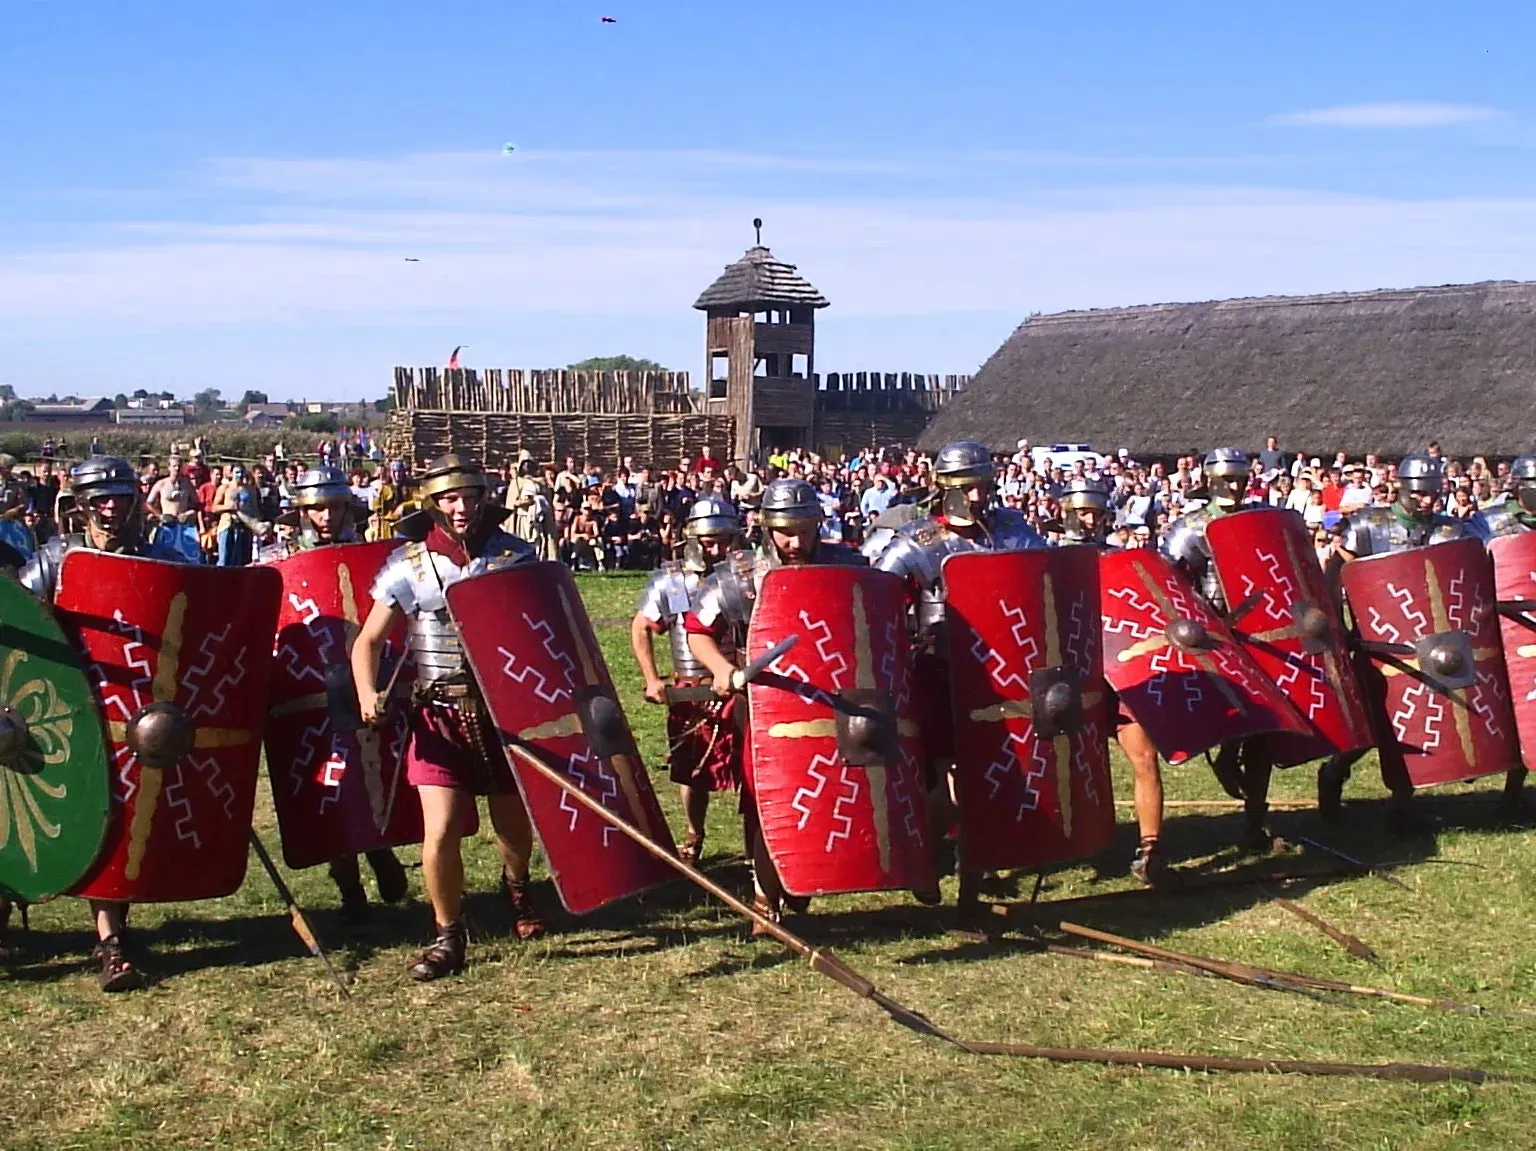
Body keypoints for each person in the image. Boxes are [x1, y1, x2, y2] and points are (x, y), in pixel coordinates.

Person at [350, 454, 544, 981]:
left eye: (470, 497)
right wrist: (367, 691)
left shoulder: (513, 556)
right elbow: (367, 641)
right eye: (450, 499)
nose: (462, 508)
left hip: (502, 710)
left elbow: (543, 629)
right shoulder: (407, 565)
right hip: (438, 715)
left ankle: (518, 888)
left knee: (511, 820)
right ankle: (447, 933)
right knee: (440, 830)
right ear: (433, 504)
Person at [18, 456, 187, 991]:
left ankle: (111, 940)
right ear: (83, 504)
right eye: (101, 498)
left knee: (119, 822)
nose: (112, 507)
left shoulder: (160, 560)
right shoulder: (55, 562)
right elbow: (23, 626)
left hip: (136, 713)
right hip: (64, 710)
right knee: (35, 815)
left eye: (121, 497)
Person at [867, 440, 1045, 920]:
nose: (978, 496)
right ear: (945, 488)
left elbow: (1046, 582)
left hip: (1004, 674)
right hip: (939, 672)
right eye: (968, 487)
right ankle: (924, 855)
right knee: (952, 785)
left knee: (988, 781)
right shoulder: (918, 542)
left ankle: (969, 889)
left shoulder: (1013, 531)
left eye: (983, 485)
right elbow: (876, 601)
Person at [684, 478, 865, 930]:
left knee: (830, 792)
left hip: (835, 701)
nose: (796, 542)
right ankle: (765, 896)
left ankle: (805, 876)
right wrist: (721, 669)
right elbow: (697, 631)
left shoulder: (847, 565)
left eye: (804, 530)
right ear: (767, 528)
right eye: (786, 532)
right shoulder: (740, 575)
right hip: (767, 705)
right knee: (764, 798)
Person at [258, 465, 410, 914]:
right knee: (329, 787)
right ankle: (350, 891)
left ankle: (379, 849)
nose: (326, 517)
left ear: (348, 509)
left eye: (334, 508)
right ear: (301, 512)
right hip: (307, 693)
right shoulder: (276, 563)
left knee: (372, 774)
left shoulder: (373, 559)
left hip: (369, 684)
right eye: (317, 509)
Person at [1320, 452, 1478, 828]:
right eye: (1420, 492)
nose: (1428, 500)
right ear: (1403, 488)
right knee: (1372, 724)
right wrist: (1335, 625)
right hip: (1376, 639)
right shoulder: (1367, 525)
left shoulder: (1451, 531)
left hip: (1429, 640)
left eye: (1433, 492)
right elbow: (1335, 575)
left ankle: (1401, 800)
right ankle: (1333, 773)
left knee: (1418, 718)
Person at [1161, 447, 1280, 850]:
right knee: (1234, 718)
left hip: (1264, 632)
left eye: (1240, 479)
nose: (1234, 486)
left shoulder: (1259, 519)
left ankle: (1255, 821)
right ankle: (1228, 757)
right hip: (1216, 635)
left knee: (1265, 729)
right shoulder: (1190, 528)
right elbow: (1171, 585)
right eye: (1227, 479)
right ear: (1211, 481)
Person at [1058, 476, 1171, 885]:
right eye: (1083, 513)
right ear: (1067, 513)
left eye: (1096, 513)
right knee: (1062, 767)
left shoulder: (1120, 561)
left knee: (1144, 757)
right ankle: (1058, 841)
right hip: (1068, 678)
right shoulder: (1047, 559)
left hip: (1119, 673)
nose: (1090, 521)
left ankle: (1150, 849)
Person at [630, 496, 745, 864]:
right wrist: (651, 679)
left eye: (724, 541)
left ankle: (758, 842)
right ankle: (695, 834)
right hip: (692, 690)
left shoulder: (748, 577)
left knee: (753, 766)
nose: (717, 550)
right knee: (691, 770)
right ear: (693, 540)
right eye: (709, 542)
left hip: (743, 687)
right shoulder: (676, 581)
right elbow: (642, 626)